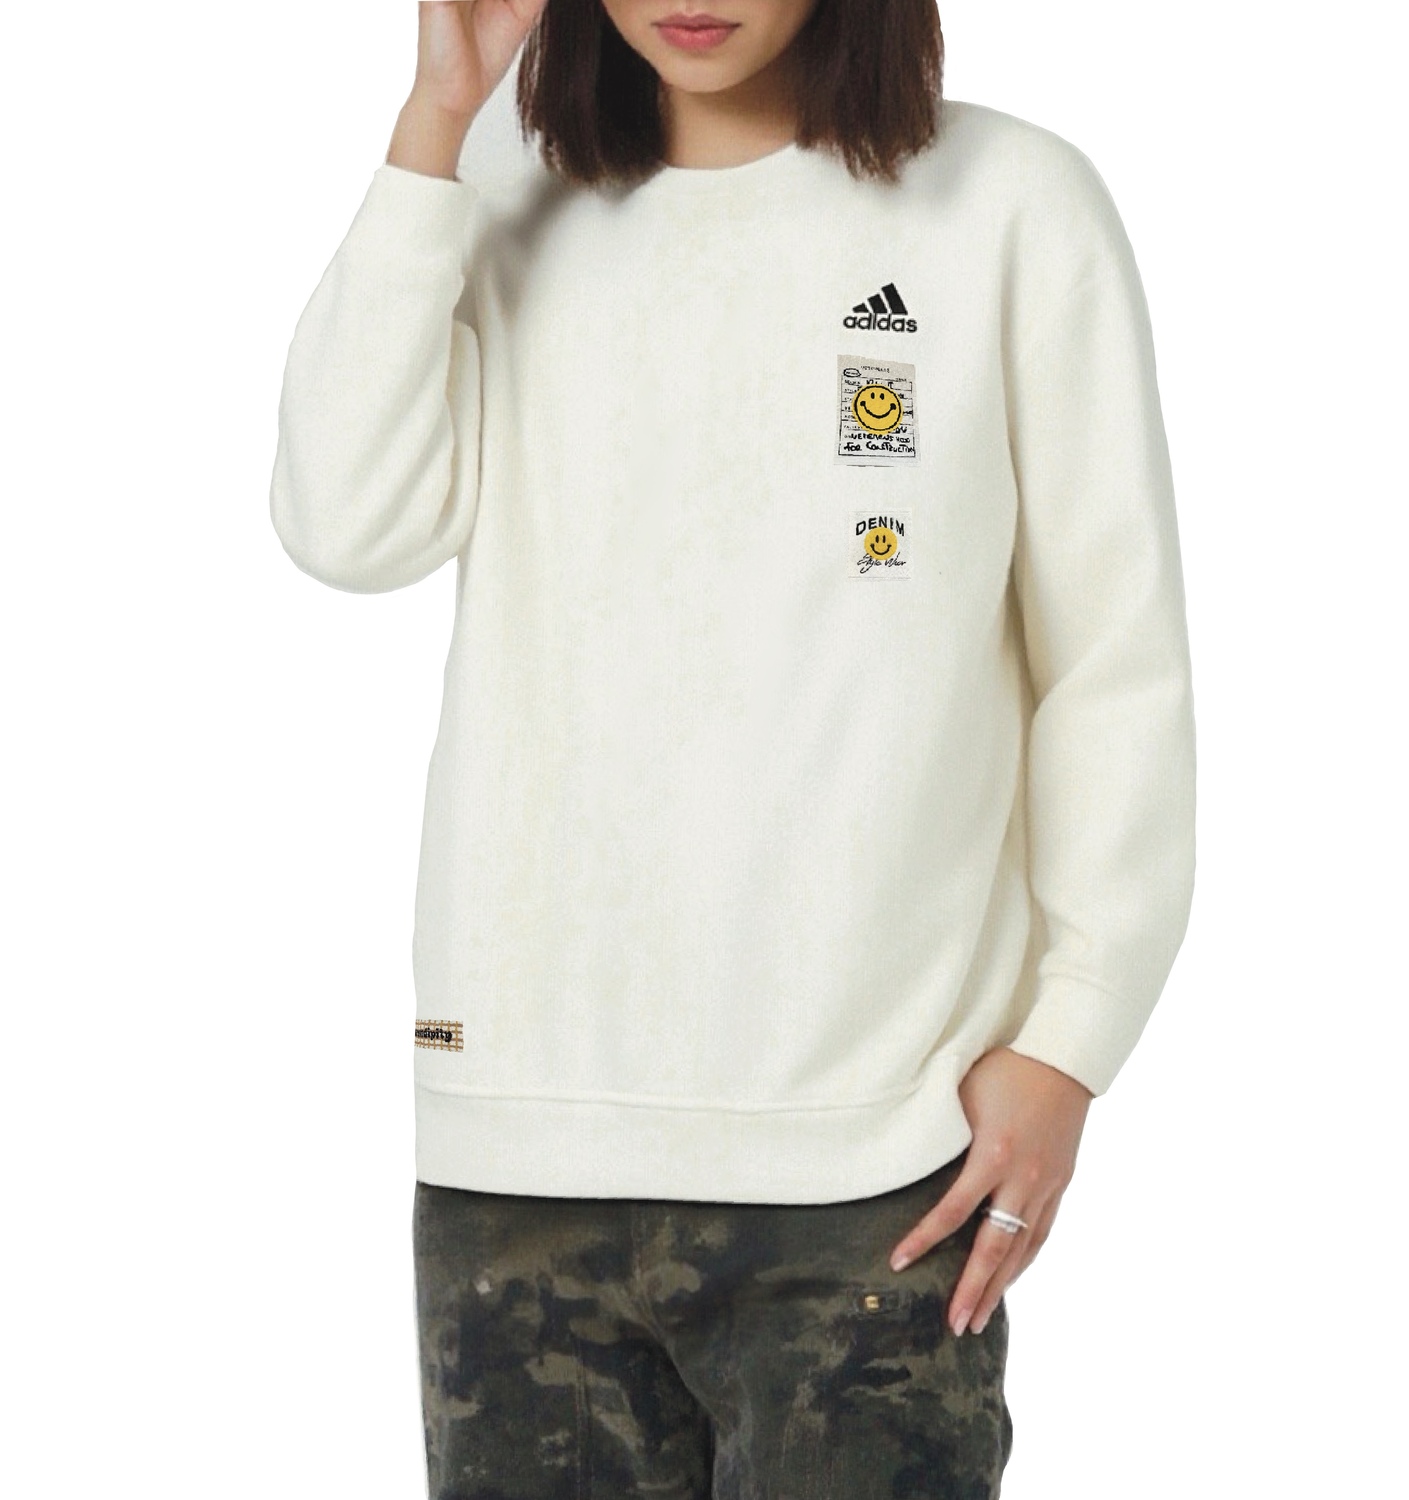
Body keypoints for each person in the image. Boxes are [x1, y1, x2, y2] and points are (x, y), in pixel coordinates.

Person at [268, 0, 1196, 1494]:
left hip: (875, 1160)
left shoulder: (1013, 205)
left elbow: (1112, 660)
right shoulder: (491, 196)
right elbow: (346, 520)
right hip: (525, 1159)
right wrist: (435, 123)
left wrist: (1069, 1044)